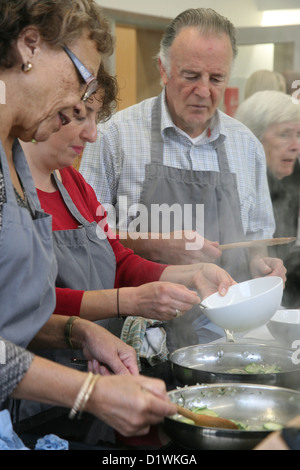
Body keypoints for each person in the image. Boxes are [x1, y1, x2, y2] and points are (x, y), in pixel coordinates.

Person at [0, 0, 178, 441]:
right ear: (29, 46)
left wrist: (77, 332)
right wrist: (91, 392)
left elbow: (10, 319)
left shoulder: (15, 157)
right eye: (83, 80)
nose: (79, 109)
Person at [80, 8, 286, 345]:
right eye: (190, 75)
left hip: (227, 337)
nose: (204, 91)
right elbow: (88, 239)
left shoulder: (246, 146)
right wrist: (155, 245)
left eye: (216, 78)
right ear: (163, 69)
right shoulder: (114, 137)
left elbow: (258, 238)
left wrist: (263, 264)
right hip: (137, 337)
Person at [22, 62, 235, 373]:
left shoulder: (73, 183)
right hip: (34, 385)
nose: (92, 134)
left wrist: (193, 274)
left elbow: (120, 262)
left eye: (96, 117)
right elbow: (28, 304)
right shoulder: (12, 191)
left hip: (97, 370)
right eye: (81, 115)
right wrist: (128, 301)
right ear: (44, 106)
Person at [235, 90, 300, 308]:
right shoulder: (234, 183)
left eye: (298, 135)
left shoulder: (293, 176)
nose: (295, 146)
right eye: (284, 135)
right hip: (238, 297)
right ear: (252, 138)